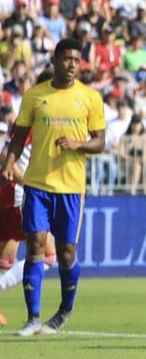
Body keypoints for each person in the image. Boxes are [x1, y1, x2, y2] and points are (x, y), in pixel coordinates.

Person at [0, 39, 106, 337]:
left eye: (76, 59)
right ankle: (33, 318)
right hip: (37, 185)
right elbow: (18, 137)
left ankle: (64, 310)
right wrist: (9, 161)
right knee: (34, 247)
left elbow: (100, 142)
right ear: (55, 60)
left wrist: (79, 144)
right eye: (67, 59)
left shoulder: (90, 98)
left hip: (71, 188)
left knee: (66, 252)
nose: (72, 64)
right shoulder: (35, 96)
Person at [0, 70, 58, 328]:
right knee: (45, 256)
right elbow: (6, 158)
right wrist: (31, 183)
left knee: (7, 260)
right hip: (20, 194)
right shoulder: (35, 118)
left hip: (21, 192)